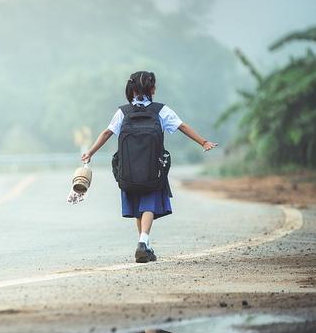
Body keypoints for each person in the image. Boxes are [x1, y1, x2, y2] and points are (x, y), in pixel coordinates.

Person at [81, 71, 217, 262]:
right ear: (152, 89)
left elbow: (106, 133)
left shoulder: (123, 112)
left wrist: (90, 152)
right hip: (153, 169)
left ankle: (145, 245)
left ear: (132, 89)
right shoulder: (161, 111)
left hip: (128, 170)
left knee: (139, 206)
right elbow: (182, 126)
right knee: (148, 205)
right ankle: (143, 243)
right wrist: (203, 142)